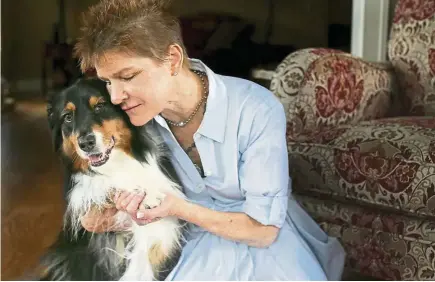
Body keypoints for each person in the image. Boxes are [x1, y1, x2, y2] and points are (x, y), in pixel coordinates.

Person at [75, 0, 346, 280]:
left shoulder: (255, 108)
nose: (116, 96)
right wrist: (124, 211)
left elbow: (264, 231)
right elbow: (90, 219)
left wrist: (178, 208)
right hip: (194, 248)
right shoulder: (129, 121)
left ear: (172, 60)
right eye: (108, 81)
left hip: (267, 244)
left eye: (127, 76)